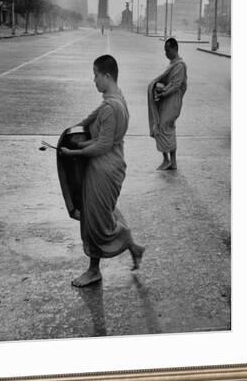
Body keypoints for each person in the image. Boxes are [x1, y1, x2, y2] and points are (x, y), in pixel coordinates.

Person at [60, 54, 145, 287]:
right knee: (98, 214)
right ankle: (133, 248)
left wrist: (73, 153)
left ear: (107, 76)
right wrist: (72, 134)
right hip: (110, 165)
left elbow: (102, 145)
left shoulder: (111, 107)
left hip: (104, 169)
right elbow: (92, 120)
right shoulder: (116, 98)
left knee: (96, 222)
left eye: (96, 75)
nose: (93, 80)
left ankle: (95, 270)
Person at [147, 38, 187, 170]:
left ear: (175, 49)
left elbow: (176, 85)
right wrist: (158, 88)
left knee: (165, 127)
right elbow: (169, 82)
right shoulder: (172, 64)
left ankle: (169, 161)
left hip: (173, 101)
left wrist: (163, 92)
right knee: (161, 126)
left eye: (168, 50)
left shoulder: (180, 65)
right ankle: (169, 160)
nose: (166, 53)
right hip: (166, 99)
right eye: (164, 51)